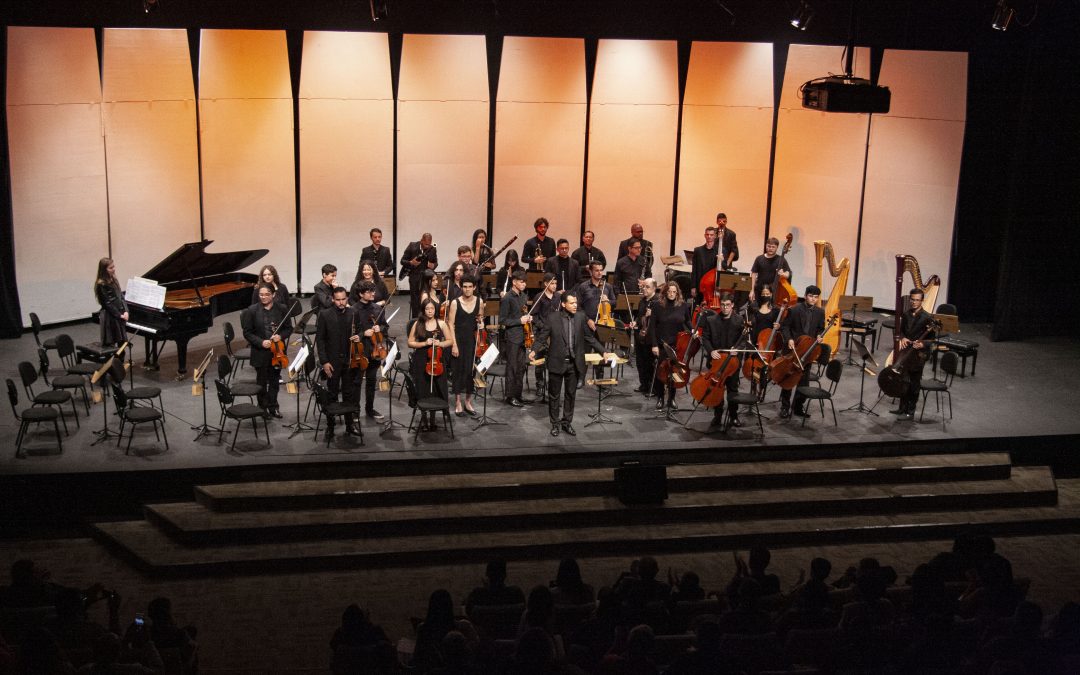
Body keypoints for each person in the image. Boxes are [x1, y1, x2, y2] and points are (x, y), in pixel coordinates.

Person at [530, 292, 604, 437]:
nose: (575, 305)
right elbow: (542, 336)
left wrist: (603, 351)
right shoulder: (552, 318)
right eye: (572, 303)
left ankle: (566, 423)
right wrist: (533, 350)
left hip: (574, 364)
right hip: (557, 362)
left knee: (571, 395)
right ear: (563, 304)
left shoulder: (580, 317)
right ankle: (555, 424)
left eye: (576, 302)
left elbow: (589, 338)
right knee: (554, 396)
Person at [242, 283, 293, 418]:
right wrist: (261, 342)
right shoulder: (252, 310)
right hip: (260, 352)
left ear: (273, 295)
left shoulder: (282, 309)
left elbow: (289, 328)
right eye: (261, 295)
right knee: (262, 382)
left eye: (266, 294)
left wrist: (280, 336)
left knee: (275, 381)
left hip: (277, 352)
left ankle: (273, 406)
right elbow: (247, 333)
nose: (263, 297)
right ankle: (262, 407)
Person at [316, 287, 360, 439]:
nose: (341, 302)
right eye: (338, 299)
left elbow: (360, 331)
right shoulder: (325, 314)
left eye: (343, 299)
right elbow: (320, 340)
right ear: (333, 300)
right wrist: (324, 362)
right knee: (332, 394)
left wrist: (359, 336)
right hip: (332, 362)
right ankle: (330, 426)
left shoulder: (353, 313)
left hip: (349, 361)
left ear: (347, 298)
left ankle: (349, 425)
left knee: (348, 394)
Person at [700, 294, 747, 431]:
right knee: (717, 389)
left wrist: (737, 350)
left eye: (728, 305)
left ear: (732, 305)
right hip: (716, 362)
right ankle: (718, 415)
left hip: (732, 363)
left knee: (733, 389)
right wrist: (711, 351)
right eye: (723, 305)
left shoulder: (739, 320)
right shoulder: (711, 320)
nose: (725, 308)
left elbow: (744, 340)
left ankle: (733, 415)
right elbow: (705, 338)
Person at [779, 285, 825, 419]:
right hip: (794, 349)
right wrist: (789, 339)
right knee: (788, 378)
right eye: (811, 296)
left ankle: (798, 406)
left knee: (803, 381)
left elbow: (820, 329)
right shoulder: (794, 310)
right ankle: (785, 407)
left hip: (808, 351)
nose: (813, 299)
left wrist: (819, 336)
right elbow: (785, 326)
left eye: (816, 297)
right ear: (805, 296)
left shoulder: (820, 312)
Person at [407, 298, 453, 431]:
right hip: (421, 361)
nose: (430, 311)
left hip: (437, 360)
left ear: (435, 309)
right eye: (427, 309)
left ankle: (433, 419)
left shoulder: (442, 324)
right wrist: (424, 343)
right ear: (423, 310)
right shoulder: (418, 324)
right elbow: (410, 342)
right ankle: (424, 418)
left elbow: (450, 341)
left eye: (432, 308)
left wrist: (440, 343)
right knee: (423, 389)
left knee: (437, 389)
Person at [892, 287, 936, 420]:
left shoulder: (927, 317)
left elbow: (933, 340)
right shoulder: (905, 314)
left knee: (914, 383)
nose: (914, 302)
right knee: (903, 380)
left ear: (922, 301)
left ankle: (910, 411)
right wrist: (903, 337)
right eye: (912, 299)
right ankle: (901, 408)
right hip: (906, 352)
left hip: (918, 355)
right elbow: (901, 331)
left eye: (917, 300)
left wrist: (923, 344)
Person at [649, 281, 691, 412]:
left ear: (677, 293)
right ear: (665, 292)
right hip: (662, 344)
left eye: (674, 292)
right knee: (661, 372)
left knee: (675, 372)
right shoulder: (657, 305)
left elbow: (688, 321)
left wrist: (693, 330)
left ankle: (671, 398)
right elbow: (652, 327)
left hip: (677, 345)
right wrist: (654, 345)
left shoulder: (683, 305)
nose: (671, 294)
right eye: (669, 292)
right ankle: (660, 397)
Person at [448, 275, 483, 417]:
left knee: (470, 371)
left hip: (471, 340)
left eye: (470, 287)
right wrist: (454, 345)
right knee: (457, 371)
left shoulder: (479, 301)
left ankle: (468, 401)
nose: (467, 289)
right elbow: (451, 324)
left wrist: (481, 323)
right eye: (465, 287)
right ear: (461, 287)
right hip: (458, 339)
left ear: (474, 287)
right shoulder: (455, 303)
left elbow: (480, 321)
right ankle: (457, 401)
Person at [498, 270, 534, 408]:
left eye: (525, 282)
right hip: (512, 337)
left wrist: (528, 318)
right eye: (521, 281)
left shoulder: (523, 296)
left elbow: (524, 313)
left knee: (521, 368)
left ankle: (518, 395)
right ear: (514, 282)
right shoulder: (507, 298)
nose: (524, 284)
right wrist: (519, 320)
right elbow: (502, 320)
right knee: (512, 367)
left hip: (524, 336)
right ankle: (510, 396)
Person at [352, 280, 387, 421]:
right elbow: (350, 332)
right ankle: (355, 410)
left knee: (372, 381)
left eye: (373, 290)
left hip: (375, 351)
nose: (373, 293)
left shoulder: (377, 309)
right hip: (360, 351)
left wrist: (381, 328)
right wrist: (362, 334)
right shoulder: (353, 310)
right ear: (361, 294)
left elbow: (385, 327)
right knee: (357, 382)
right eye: (369, 291)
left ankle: (370, 409)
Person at [530, 273, 563, 402]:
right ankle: (540, 385)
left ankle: (551, 386)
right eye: (552, 284)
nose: (554, 286)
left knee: (553, 361)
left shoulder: (558, 297)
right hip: (542, 332)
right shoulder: (539, 297)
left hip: (555, 334)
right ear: (545, 284)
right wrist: (543, 327)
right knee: (539, 361)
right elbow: (534, 316)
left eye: (555, 284)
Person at [629, 278, 660, 397]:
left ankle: (653, 388)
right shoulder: (642, 301)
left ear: (654, 288)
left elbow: (661, 320)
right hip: (640, 335)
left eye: (647, 287)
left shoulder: (658, 302)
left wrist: (653, 315)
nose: (644, 289)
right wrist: (635, 322)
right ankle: (643, 385)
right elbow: (639, 316)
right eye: (643, 286)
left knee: (650, 363)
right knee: (640, 362)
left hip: (651, 337)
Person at [401, 233, 438, 317]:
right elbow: (402, 261)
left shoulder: (432, 249)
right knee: (415, 301)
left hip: (426, 279)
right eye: (425, 244)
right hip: (414, 278)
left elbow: (436, 262)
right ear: (421, 240)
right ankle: (415, 320)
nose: (427, 246)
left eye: (429, 244)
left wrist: (433, 265)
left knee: (426, 298)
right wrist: (411, 262)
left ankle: (426, 319)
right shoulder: (412, 246)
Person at [94, 258, 128, 347]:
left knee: (122, 343)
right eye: (110, 268)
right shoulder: (101, 284)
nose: (113, 269)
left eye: (114, 267)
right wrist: (119, 315)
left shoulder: (114, 279)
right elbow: (107, 303)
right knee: (110, 344)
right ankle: (111, 361)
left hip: (119, 315)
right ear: (104, 270)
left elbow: (121, 296)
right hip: (110, 316)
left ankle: (120, 360)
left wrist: (126, 311)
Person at [749, 237, 792, 302]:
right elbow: (754, 274)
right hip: (760, 290)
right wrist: (752, 290)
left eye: (773, 247)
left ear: (777, 247)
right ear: (766, 246)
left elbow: (788, 273)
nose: (770, 249)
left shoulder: (781, 259)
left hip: (775, 292)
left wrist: (783, 274)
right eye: (769, 246)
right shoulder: (759, 258)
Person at [689, 227, 718, 303]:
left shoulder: (720, 251)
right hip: (700, 285)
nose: (709, 236)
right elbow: (694, 269)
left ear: (715, 236)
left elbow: (724, 268)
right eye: (707, 234)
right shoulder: (698, 250)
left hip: (713, 286)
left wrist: (721, 260)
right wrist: (693, 286)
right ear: (704, 235)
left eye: (711, 235)